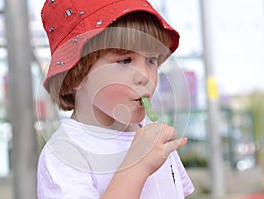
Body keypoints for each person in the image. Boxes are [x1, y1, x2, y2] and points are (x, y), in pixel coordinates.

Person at [38, 0, 194, 198]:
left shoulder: (152, 137)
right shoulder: (64, 154)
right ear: (75, 76)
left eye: (151, 60)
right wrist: (137, 166)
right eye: (125, 60)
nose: (145, 76)